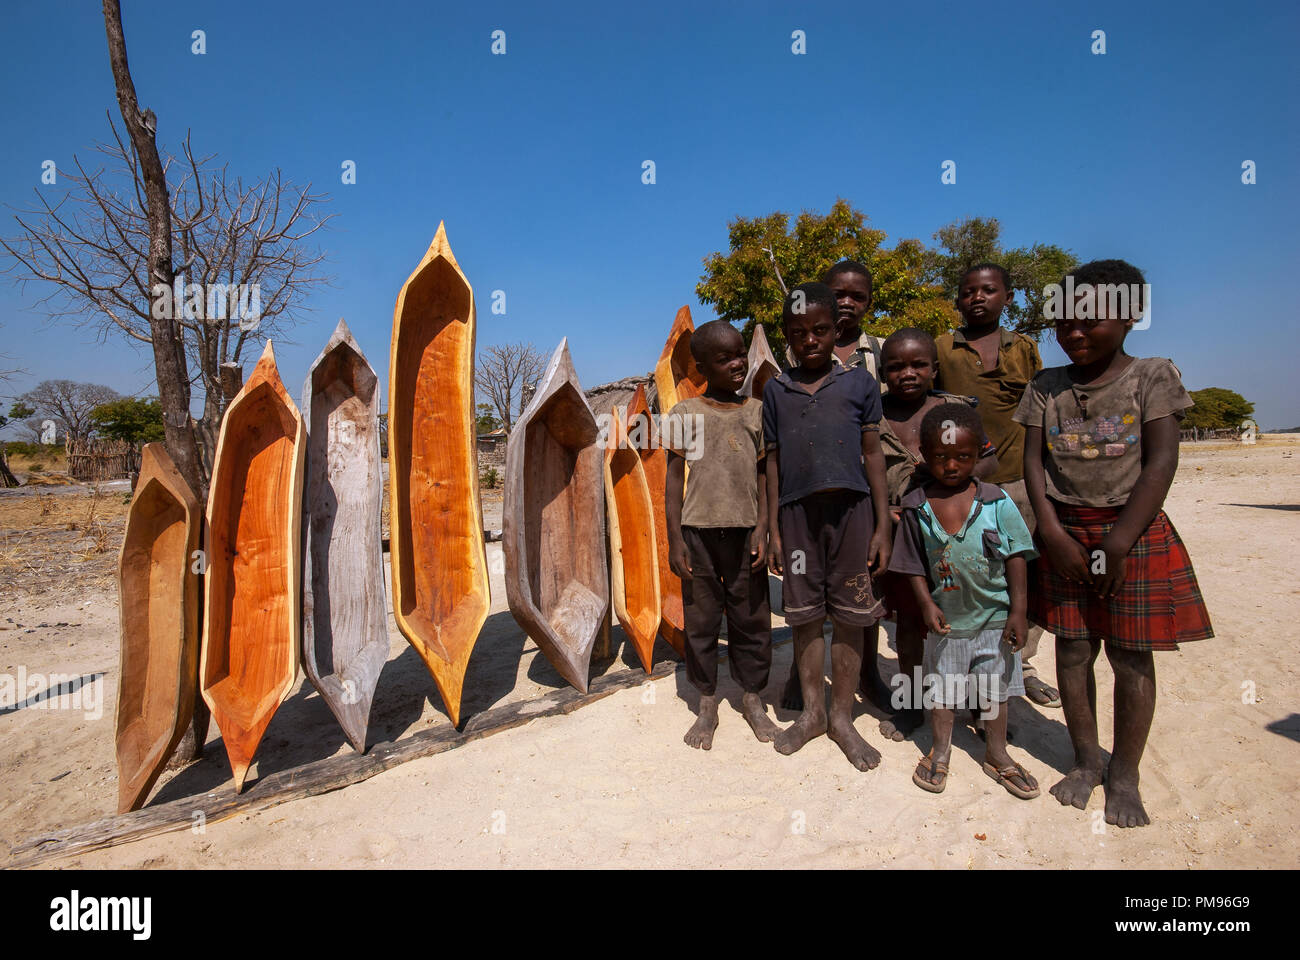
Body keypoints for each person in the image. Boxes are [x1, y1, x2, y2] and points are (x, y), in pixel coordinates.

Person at [1014, 259, 1212, 827]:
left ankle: (1124, 774)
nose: (1073, 332)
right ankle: (1083, 762)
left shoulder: (1153, 376)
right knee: (1073, 650)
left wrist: (1119, 542)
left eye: (1089, 320)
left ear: (1128, 317)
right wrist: (1050, 532)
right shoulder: (1045, 387)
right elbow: (1034, 464)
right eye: (1064, 322)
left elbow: (1161, 463)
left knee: (1130, 655)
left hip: (1133, 531)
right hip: (1064, 532)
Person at [763, 282, 891, 770]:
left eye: (820, 330)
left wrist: (882, 525)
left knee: (854, 617)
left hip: (853, 514)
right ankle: (813, 713)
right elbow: (772, 462)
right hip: (796, 518)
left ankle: (842, 718)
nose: (810, 340)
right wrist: (774, 530)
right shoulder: (776, 390)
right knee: (804, 617)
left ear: (836, 329)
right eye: (799, 333)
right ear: (787, 337)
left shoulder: (859, 383)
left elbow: (874, 454)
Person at [889, 403, 1039, 797]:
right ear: (923, 455)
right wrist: (925, 604)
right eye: (941, 457)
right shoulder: (916, 507)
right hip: (948, 623)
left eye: (963, 457)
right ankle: (939, 751)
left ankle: (997, 753)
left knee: (994, 692)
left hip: (994, 620)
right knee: (942, 691)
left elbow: (1017, 556)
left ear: (979, 455)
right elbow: (910, 564)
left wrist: (1019, 612)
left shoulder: (996, 501)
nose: (952, 465)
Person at [936, 262, 1061, 708]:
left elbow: (1042, 413)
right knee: (973, 573)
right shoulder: (942, 349)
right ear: (958, 299)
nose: (977, 298)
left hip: (1022, 481)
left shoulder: (1024, 349)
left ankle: (1020, 666)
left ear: (1007, 297)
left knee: (1021, 571)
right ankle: (972, 668)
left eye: (989, 290)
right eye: (968, 291)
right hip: (967, 486)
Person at [873, 328, 999, 742]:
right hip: (903, 539)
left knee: (975, 623)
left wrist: (947, 495)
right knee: (910, 625)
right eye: (895, 366)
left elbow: (988, 461)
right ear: (883, 370)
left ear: (934, 367)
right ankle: (911, 706)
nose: (907, 373)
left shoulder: (954, 409)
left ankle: (983, 707)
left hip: (957, 536)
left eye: (918, 365)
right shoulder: (871, 413)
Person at [666, 320, 779, 750]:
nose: (737, 363)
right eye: (724, 358)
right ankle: (708, 702)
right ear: (701, 367)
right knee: (701, 620)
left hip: (746, 532)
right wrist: (675, 539)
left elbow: (767, 475)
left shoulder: (757, 412)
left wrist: (765, 527)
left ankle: (753, 699)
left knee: (751, 618)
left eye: (739, 355)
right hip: (698, 535)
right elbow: (673, 481)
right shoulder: (684, 414)